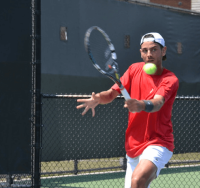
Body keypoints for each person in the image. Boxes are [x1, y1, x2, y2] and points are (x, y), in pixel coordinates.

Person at [76, 32, 179, 188]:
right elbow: (110, 95)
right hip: (133, 145)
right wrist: (98, 98)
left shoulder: (170, 79)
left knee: (138, 180)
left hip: (158, 142)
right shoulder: (133, 70)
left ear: (163, 51)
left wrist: (141, 105)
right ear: (140, 53)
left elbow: (158, 102)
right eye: (145, 50)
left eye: (154, 49)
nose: (149, 54)